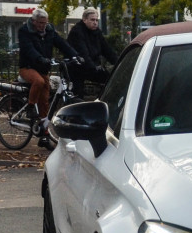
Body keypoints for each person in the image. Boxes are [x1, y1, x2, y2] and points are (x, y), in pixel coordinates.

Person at [17, 8, 80, 149]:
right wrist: (40, 58)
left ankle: (44, 135)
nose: (43, 25)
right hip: (27, 67)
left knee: (45, 103)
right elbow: (28, 49)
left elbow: (62, 43)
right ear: (34, 21)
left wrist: (75, 55)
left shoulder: (50, 30)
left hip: (42, 69)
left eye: (45, 23)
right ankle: (31, 107)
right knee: (38, 81)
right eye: (40, 23)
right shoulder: (24, 31)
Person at [67, 8, 117, 94]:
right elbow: (83, 53)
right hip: (77, 68)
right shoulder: (77, 32)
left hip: (91, 66)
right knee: (77, 93)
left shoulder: (97, 32)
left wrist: (118, 62)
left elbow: (107, 50)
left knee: (109, 80)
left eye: (96, 20)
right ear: (84, 20)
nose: (95, 23)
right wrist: (94, 68)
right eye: (92, 20)